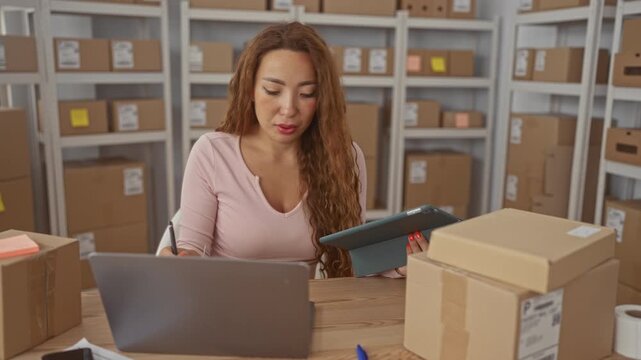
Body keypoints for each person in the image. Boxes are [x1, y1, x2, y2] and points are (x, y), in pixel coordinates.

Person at [160, 22, 427, 277]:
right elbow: (191, 254)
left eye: (307, 94)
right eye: (273, 90)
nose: (288, 109)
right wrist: (177, 261)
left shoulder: (344, 157)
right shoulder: (212, 153)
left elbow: (352, 260)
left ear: (321, 99)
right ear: (250, 89)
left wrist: (399, 266)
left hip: (307, 310)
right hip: (226, 311)